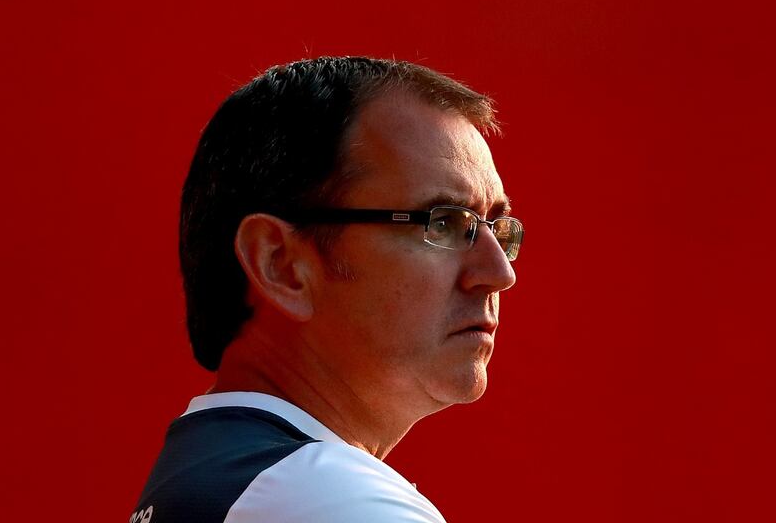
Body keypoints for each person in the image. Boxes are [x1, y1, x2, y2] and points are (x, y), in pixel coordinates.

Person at [130, 57, 523, 523]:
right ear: (281, 264)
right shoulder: (321, 497)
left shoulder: (217, 479)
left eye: (500, 230)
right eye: (443, 222)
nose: (499, 273)